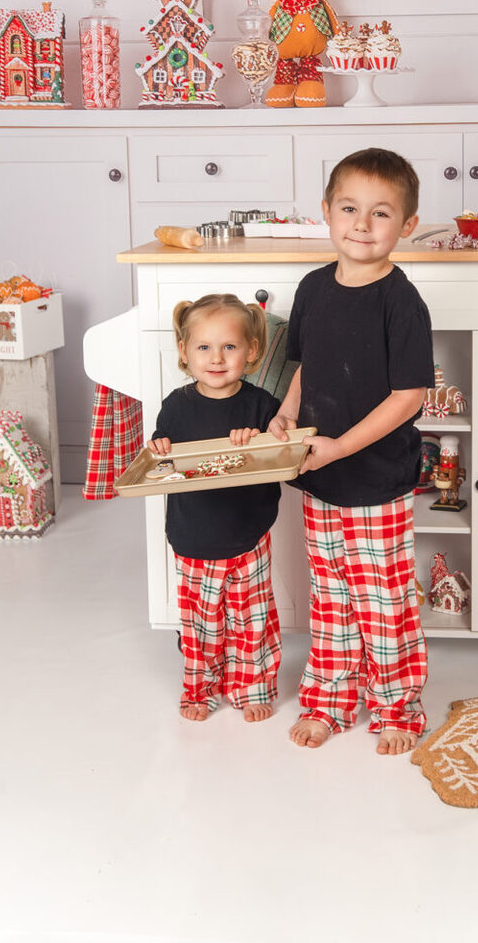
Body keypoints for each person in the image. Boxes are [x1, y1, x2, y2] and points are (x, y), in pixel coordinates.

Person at [269, 148, 435, 755]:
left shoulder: (401, 301)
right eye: (349, 208)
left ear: (407, 226)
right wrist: (288, 415)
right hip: (320, 474)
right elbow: (306, 368)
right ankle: (331, 697)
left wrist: (340, 446)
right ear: (326, 213)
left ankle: (396, 706)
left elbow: (410, 396)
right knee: (332, 591)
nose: (362, 225)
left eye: (381, 213)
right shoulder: (313, 288)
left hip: (375, 476)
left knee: (383, 598)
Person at [147, 294, 282, 723]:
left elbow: (283, 457)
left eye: (229, 347)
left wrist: (258, 440)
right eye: (204, 347)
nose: (217, 358)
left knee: (251, 620)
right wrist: (159, 448)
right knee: (202, 624)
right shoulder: (176, 405)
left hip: (248, 535)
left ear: (252, 351)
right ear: (185, 353)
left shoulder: (261, 407)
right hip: (193, 536)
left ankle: (252, 687)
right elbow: (160, 461)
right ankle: (199, 690)